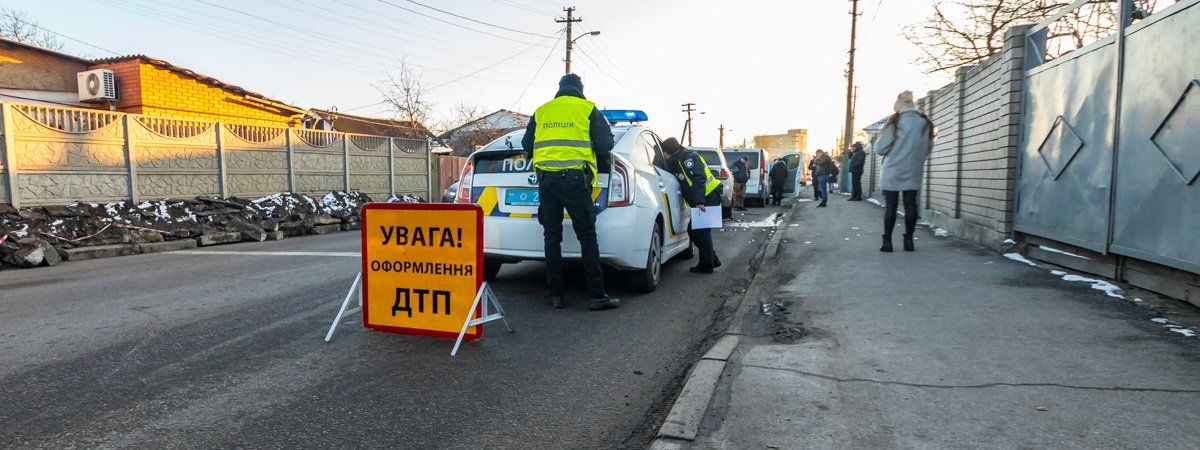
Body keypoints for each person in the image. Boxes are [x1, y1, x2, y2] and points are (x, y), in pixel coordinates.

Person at [521, 73, 620, 310]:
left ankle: (556, 296)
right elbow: (606, 145)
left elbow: (527, 144)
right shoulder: (587, 109)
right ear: (580, 88)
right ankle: (596, 296)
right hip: (576, 181)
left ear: (559, 88)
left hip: (546, 182)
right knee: (587, 237)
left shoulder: (542, 110)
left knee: (551, 237)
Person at [874, 90, 935, 252]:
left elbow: (880, 148)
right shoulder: (925, 122)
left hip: (893, 169)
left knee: (891, 206)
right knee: (910, 205)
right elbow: (928, 147)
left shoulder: (895, 121)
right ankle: (909, 241)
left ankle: (887, 242)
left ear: (899, 104)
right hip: (913, 169)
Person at [662, 137, 723, 274]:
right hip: (705, 197)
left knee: (700, 231)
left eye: (664, 152)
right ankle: (712, 260)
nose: (664, 156)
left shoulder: (688, 159)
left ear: (669, 151)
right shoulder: (679, 159)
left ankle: (707, 265)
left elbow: (699, 178)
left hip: (709, 196)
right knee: (698, 231)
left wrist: (699, 201)